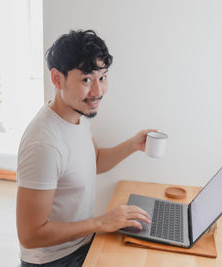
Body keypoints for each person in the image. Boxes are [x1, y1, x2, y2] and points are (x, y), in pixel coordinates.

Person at [16, 29, 153, 266]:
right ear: (58, 79)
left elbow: (93, 161)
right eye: (87, 80)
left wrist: (133, 145)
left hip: (82, 244)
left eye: (102, 77)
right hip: (54, 260)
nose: (98, 91)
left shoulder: (78, 115)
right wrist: (101, 222)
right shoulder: (44, 144)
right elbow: (30, 235)